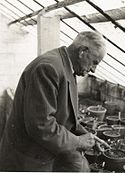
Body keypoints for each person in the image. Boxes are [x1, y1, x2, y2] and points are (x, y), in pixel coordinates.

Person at [0, 31, 107, 171]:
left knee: (80, 166)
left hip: (44, 147)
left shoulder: (66, 66)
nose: (93, 69)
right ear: (82, 51)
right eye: (94, 62)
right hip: (28, 157)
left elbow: (66, 116)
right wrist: (78, 141)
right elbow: (41, 125)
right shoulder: (48, 67)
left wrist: (86, 136)